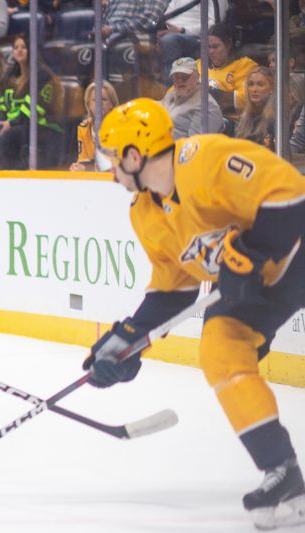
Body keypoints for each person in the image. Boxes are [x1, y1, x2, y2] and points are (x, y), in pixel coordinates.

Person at [91, 97, 305, 531]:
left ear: (134, 155)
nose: (109, 171)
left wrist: (252, 252)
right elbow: (174, 290)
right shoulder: (146, 213)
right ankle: (282, 472)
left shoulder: (206, 158)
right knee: (220, 352)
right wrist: (129, 337)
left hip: (295, 256)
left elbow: (290, 196)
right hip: (257, 288)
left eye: (112, 159)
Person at [0, 33, 64, 168]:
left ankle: (12, 177)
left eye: (23, 47)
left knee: (9, 135)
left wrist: (9, 124)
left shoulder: (43, 75)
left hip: (43, 127)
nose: (19, 50)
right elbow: (3, 104)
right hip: (19, 124)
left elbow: (32, 109)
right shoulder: (10, 75)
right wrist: (0, 121)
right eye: (16, 47)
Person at [197, 23, 258, 124]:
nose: (211, 51)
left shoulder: (244, 65)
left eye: (215, 47)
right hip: (198, 117)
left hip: (230, 122)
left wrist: (205, 93)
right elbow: (174, 91)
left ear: (229, 44)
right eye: (208, 47)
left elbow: (245, 99)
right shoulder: (199, 64)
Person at [158, 0, 227, 80]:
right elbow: (167, 15)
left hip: (196, 38)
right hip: (170, 33)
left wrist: (183, 30)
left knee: (169, 40)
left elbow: (215, 24)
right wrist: (162, 28)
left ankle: (171, 87)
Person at [159, 56, 224, 139]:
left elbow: (195, 146)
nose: (179, 81)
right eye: (176, 77)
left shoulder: (207, 106)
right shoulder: (171, 96)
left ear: (197, 77)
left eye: (184, 77)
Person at [69, 80, 119, 172]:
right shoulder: (84, 127)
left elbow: (116, 164)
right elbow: (83, 160)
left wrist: (88, 169)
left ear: (112, 104)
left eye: (103, 99)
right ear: (88, 104)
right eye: (94, 100)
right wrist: (78, 167)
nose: (99, 103)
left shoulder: (120, 127)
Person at [234, 66, 275, 151]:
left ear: (272, 89)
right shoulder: (243, 118)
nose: (254, 89)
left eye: (260, 85)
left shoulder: (275, 118)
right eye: (251, 84)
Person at [99, 0, 170, 40]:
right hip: (106, 33)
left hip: (133, 36)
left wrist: (111, 29)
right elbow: (105, 17)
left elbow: (147, 22)